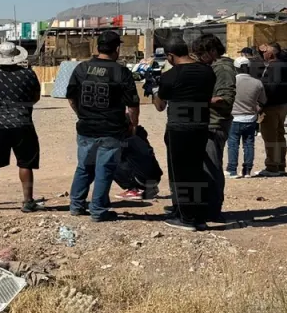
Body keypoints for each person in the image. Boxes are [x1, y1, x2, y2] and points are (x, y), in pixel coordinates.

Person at [66, 30, 140, 222]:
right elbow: (132, 104)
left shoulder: (82, 68)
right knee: (104, 169)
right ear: (117, 48)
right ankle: (98, 210)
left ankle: (76, 205)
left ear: (97, 47)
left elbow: (71, 97)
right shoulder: (121, 72)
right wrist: (133, 125)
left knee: (84, 167)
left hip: (86, 128)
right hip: (111, 130)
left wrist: (81, 114)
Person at [152, 40, 217, 231]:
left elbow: (160, 106)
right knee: (196, 170)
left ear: (170, 56)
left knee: (180, 173)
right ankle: (193, 214)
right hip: (201, 125)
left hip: (179, 128)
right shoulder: (207, 72)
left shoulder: (170, 75)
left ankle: (187, 218)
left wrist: (155, 90)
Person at [0, 42, 41, 213]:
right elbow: (36, 96)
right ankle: (28, 201)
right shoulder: (28, 74)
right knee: (25, 163)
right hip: (22, 123)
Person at [192, 34, 235, 220]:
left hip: (215, 123)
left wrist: (195, 99)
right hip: (207, 123)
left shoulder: (223, 68)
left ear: (212, 51)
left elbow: (225, 100)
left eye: (201, 54)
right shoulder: (212, 67)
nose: (200, 58)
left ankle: (213, 210)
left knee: (212, 167)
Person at [256, 42, 287, 176]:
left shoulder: (273, 68)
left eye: (265, 52)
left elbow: (270, 88)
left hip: (271, 106)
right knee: (279, 135)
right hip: (284, 104)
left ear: (271, 54)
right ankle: (280, 164)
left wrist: (261, 104)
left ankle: (272, 166)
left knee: (270, 137)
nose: (263, 54)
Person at [227, 58, 267, 179]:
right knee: (249, 144)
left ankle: (232, 170)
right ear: (249, 68)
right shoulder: (257, 83)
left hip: (234, 118)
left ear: (236, 68)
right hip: (250, 118)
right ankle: (247, 170)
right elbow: (263, 101)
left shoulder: (231, 82)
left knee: (233, 145)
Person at [114, 125, 163, 199]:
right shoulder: (140, 135)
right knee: (136, 160)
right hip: (156, 179)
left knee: (109, 161)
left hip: (142, 180)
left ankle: (133, 190)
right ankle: (151, 189)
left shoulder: (125, 142)